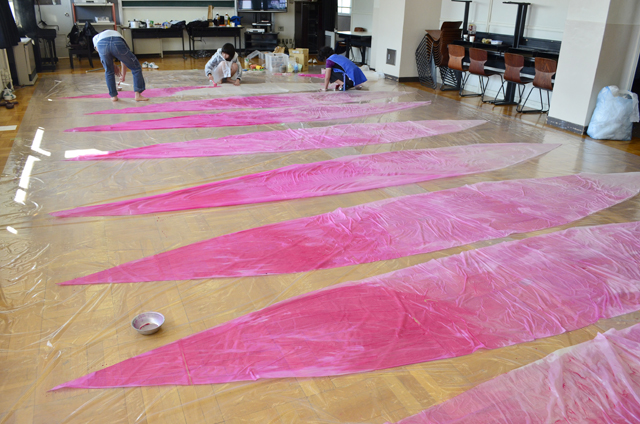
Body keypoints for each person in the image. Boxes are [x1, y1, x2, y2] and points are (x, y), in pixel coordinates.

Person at [93, 29, 148, 102]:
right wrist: (123, 75)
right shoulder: (117, 34)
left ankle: (113, 96)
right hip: (117, 42)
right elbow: (124, 60)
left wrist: (112, 65)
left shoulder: (96, 37)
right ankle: (138, 95)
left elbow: (101, 54)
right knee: (136, 68)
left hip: (101, 44)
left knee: (109, 71)